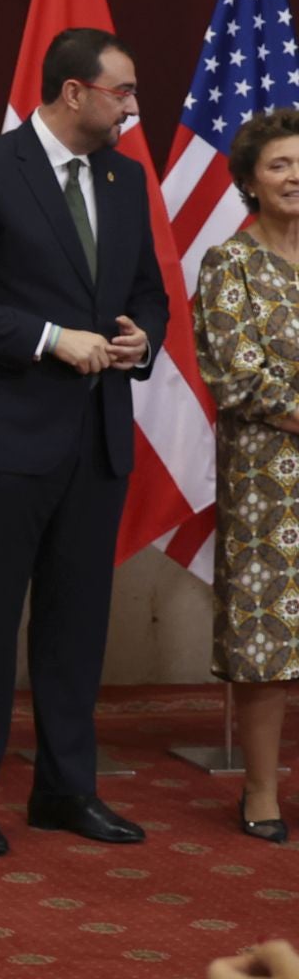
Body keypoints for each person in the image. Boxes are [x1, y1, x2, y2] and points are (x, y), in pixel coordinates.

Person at [0, 27, 168, 857]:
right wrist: (49, 337)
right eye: (122, 91)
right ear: (72, 92)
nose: (134, 106)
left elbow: (147, 294)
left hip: (97, 438)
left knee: (77, 624)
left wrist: (141, 341)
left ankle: (66, 790)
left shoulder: (127, 180)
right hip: (5, 436)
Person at [191, 108, 299, 844]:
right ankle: (260, 790)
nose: (296, 177)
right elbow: (239, 379)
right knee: (271, 642)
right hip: (269, 481)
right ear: (249, 182)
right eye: (280, 165)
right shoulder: (229, 263)